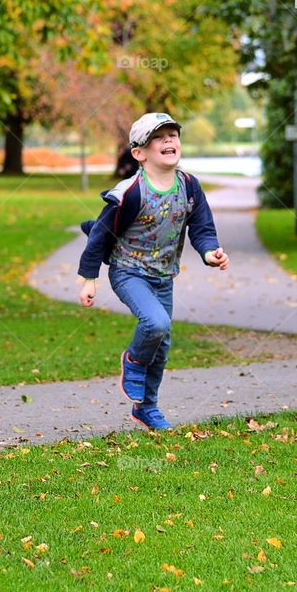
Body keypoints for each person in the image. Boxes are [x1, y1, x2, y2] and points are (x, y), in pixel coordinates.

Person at [77, 113, 229, 430]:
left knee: (161, 346)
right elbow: (100, 234)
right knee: (155, 323)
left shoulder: (189, 186)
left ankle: (147, 408)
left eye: (173, 135)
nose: (169, 141)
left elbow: (201, 228)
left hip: (163, 276)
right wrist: (89, 279)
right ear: (139, 153)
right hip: (128, 271)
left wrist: (209, 251)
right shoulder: (131, 191)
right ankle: (133, 361)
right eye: (159, 138)